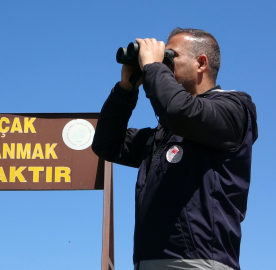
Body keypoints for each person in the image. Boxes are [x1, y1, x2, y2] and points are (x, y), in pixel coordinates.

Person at [92, 28, 258, 270]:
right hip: (148, 263)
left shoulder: (234, 108)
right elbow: (107, 144)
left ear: (201, 63)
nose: (163, 64)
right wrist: (125, 88)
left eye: (170, 57)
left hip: (198, 263)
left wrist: (152, 67)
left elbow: (179, 111)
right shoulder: (163, 134)